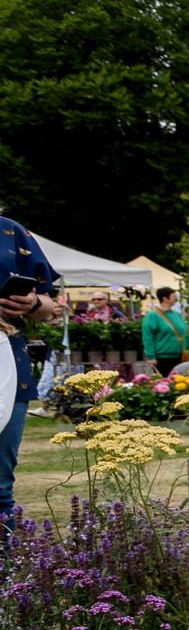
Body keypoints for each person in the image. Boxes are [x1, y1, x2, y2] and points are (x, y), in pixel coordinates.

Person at [0, 215, 60, 523]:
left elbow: (49, 306)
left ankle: (5, 568)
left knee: (0, 487)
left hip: (7, 370)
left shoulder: (11, 232)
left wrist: (32, 302)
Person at [141, 286, 189, 377]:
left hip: (181, 357)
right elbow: (147, 337)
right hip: (163, 358)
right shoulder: (152, 316)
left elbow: (185, 333)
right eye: (173, 296)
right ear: (165, 298)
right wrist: (150, 357)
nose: (175, 299)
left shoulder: (177, 315)